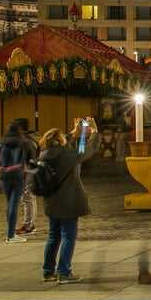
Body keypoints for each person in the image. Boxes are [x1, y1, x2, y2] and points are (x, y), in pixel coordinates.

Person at [39, 117, 98, 284]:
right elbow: (88, 150)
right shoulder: (66, 155)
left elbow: (64, 145)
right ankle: (64, 272)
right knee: (68, 237)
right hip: (68, 201)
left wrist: (75, 132)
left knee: (53, 237)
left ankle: (48, 271)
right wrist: (94, 132)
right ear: (59, 140)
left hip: (52, 202)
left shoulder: (45, 153)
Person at [0, 119, 36, 243]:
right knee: (14, 205)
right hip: (19, 176)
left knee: (9, 204)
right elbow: (32, 159)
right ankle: (11, 236)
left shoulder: (1, 142)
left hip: (4, 176)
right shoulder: (24, 142)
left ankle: (10, 231)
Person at [14, 118, 40, 236]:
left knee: (27, 199)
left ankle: (28, 225)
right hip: (33, 171)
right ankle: (31, 224)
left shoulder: (24, 142)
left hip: (26, 173)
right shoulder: (33, 138)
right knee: (30, 199)